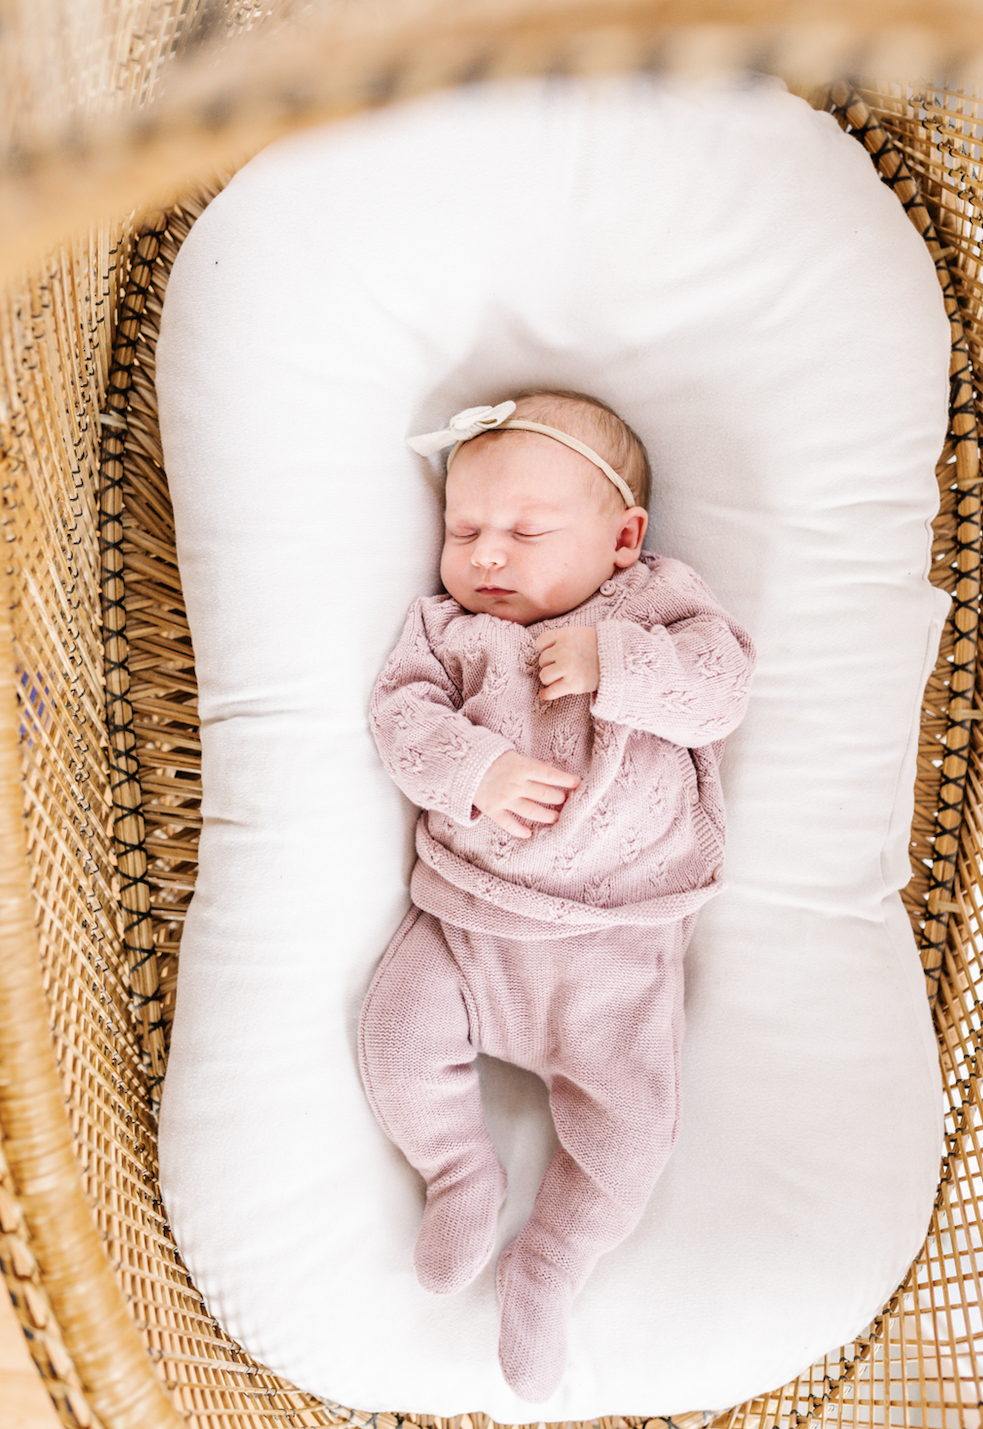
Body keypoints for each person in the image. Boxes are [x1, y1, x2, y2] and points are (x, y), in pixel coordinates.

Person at [359, 387, 755, 1401]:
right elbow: (398, 718)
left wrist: (617, 664)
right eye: (463, 530)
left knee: (632, 1135)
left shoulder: (655, 606)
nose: (486, 555)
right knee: (394, 1033)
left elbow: (721, 684)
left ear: (622, 538)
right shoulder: (445, 630)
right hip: (466, 925)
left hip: (613, 950)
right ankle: (457, 1169)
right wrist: (472, 772)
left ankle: (550, 1263)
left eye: (524, 532)